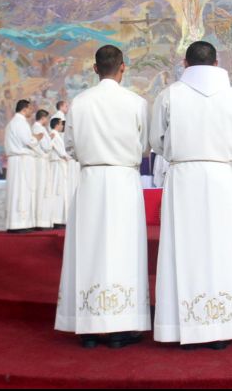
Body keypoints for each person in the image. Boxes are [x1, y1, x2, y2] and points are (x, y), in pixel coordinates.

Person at [151, 41, 232, 349]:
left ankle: (181, 325)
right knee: (223, 248)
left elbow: (156, 141)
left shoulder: (169, 95)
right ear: (216, 63)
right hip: (222, 177)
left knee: (183, 247)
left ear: (185, 63)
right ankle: (223, 323)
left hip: (183, 177)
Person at [56, 45, 151, 349]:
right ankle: (122, 326)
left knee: (89, 249)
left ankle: (88, 327)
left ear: (95, 68)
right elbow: (145, 145)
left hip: (91, 180)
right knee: (125, 250)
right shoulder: (136, 103)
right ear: (123, 67)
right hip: (124, 179)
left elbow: (69, 146)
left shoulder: (80, 103)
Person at [4, 100, 41, 233]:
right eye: (30, 109)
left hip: (17, 160)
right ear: (24, 109)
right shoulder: (20, 122)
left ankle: (16, 223)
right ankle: (20, 223)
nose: (32, 111)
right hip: (21, 161)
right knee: (22, 189)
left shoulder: (13, 123)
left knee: (17, 190)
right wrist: (37, 137)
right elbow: (28, 141)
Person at [32, 110, 54, 230]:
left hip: (41, 161)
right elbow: (46, 146)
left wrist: (48, 139)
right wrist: (50, 141)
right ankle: (40, 220)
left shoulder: (37, 127)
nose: (47, 121)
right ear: (43, 118)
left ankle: (41, 219)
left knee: (42, 189)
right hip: (41, 162)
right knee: (42, 189)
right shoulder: (39, 128)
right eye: (47, 118)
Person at [48, 118, 70, 227]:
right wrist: (68, 157)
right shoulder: (54, 135)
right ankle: (56, 219)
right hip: (57, 166)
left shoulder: (56, 135)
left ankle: (59, 218)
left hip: (59, 165)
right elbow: (61, 152)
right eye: (61, 124)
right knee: (58, 190)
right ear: (57, 125)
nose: (62, 126)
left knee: (60, 191)